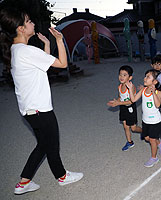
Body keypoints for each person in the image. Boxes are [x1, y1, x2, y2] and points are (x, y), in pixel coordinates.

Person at [0, 9, 83, 195]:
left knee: (45, 144)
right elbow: (62, 64)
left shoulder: (16, 50)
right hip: (40, 110)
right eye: (29, 21)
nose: (33, 24)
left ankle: (28, 182)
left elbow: (41, 69)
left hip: (30, 111)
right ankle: (57, 177)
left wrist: (46, 45)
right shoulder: (27, 51)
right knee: (49, 144)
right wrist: (59, 40)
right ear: (21, 28)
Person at [126, 69, 161, 167]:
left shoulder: (158, 92)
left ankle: (154, 158)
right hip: (145, 120)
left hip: (155, 121)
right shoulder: (143, 90)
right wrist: (130, 89)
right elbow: (133, 99)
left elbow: (157, 105)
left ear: (155, 82)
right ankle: (159, 143)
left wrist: (153, 93)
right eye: (145, 76)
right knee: (147, 138)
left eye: (148, 77)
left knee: (152, 140)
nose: (145, 78)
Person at [107, 65, 142, 151]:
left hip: (130, 108)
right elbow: (120, 97)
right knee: (125, 126)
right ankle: (130, 142)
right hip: (123, 108)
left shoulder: (131, 87)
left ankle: (144, 131)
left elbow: (131, 101)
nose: (121, 77)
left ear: (130, 77)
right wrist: (116, 102)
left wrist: (119, 103)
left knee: (133, 128)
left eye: (124, 75)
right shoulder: (120, 86)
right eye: (120, 74)